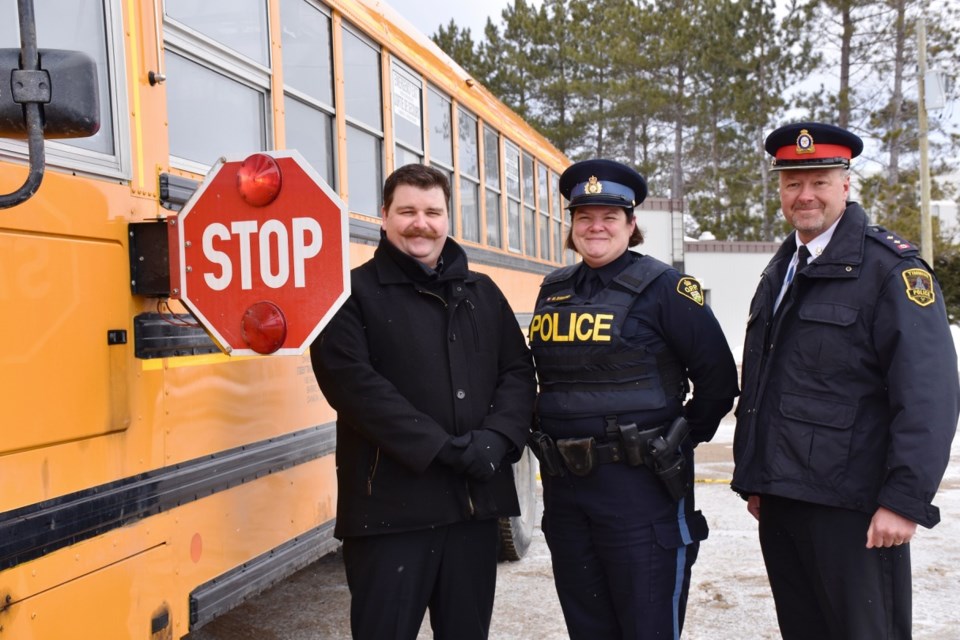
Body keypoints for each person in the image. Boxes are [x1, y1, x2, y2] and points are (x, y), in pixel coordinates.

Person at [732, 121, 960, 640]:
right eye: (792, 183)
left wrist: (905, 499)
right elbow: (770, 381)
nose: (805, 194)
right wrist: (757, 476)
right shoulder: (783, 267)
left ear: (846, 184)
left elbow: (928, 394)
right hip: (785, 498)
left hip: (853, 506)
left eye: (819, 180)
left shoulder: (891, 271)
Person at [310, 163, 536, 640]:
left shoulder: (483, 293)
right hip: (390, 515)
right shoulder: (348, 296)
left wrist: (497, 440)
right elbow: (353, 387)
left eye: (433, 211)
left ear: (448, 218)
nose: (421, 223)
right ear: (384, 215)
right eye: (408, 210)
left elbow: (517, 373)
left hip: (473, 508)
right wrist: (442, 448)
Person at [526, 159, 739, 639]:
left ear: (631, 223)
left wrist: (676, 442)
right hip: (567, 493)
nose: (595, 226)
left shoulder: (666, 288)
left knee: (646, 627)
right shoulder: (553, 290)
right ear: (572, 224)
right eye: (584, 216)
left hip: (642, 489)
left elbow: (718, 381)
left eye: (609, 216)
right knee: (588, 626)